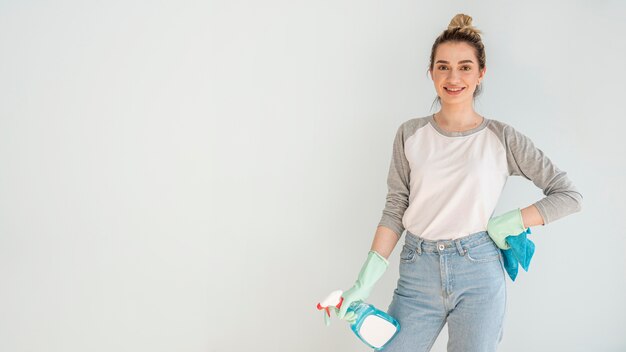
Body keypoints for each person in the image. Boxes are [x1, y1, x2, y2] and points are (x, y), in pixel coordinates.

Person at [331, 13, 583, 352]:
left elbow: (568, 194)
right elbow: (395, 209)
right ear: (431, 72)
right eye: (443, 66)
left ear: (481, 74)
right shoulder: (410, 133)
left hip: (478, 272)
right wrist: (363, 282)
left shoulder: (502, 138)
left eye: (465, 67)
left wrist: (511, 221)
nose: (453, 77)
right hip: (416, 272)